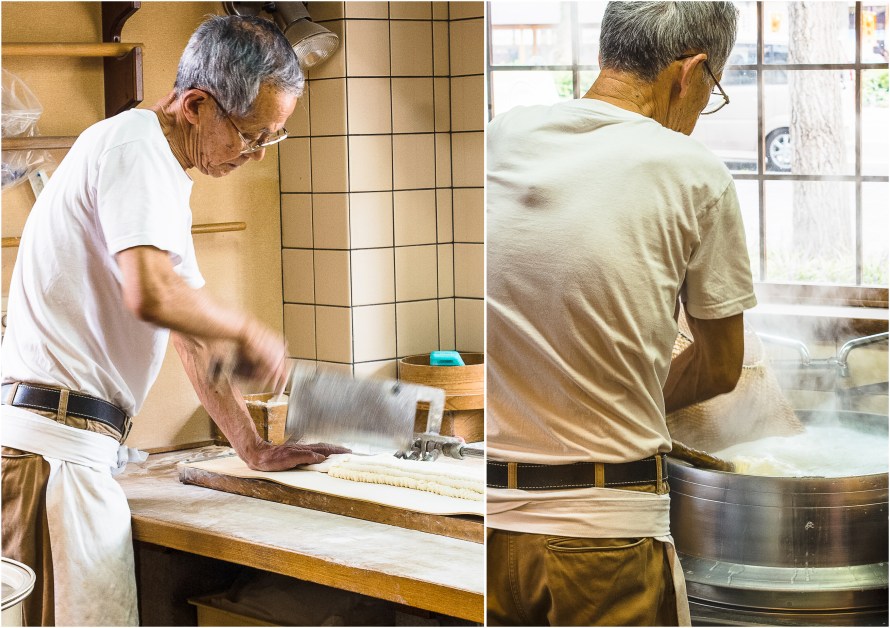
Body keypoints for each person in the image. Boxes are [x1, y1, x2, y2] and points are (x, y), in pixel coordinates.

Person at [1, 15, 346, 627]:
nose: (255, 153)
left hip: (69, 452)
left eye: (272, 138)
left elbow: (188, 334)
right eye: (250, 135)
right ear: (195, 105)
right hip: (54, 458)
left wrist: (250, 444)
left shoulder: (155, 169)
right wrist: (245, 329)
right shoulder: (135, 149)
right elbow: (153, 296)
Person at [485, 2, 756, 626]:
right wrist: (620, 394)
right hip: (604, 538)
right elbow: (721, 368)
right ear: (690, 73)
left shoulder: (500, 137)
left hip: (486, 532)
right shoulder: (693, 172)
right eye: (709, 93)